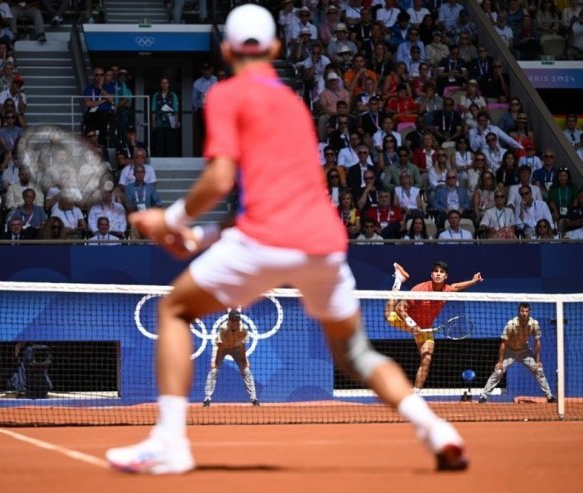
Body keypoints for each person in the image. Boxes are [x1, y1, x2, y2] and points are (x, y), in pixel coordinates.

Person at [106, 5, 469, 475]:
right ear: (275, 49)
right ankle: (437, 431)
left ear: (226, 51)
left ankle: (169, 442)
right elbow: (275, 201)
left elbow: (219, 180)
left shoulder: (226, 95)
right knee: (357, 352)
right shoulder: (296, 107)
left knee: (175, 309)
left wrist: (170, 217)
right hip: (323, 244)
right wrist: (199, 236)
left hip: (266, 243)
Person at [385, 261, 483, 394]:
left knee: (426, 359)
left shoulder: (446, 290)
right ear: (431, 274)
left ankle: (415, 394)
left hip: (426, 328)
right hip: (408, 321)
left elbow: (455, 287)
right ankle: (398, 280)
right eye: (436, 271)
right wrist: (412, 325)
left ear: (445, 276)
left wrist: (473, 281)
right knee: (388, 315)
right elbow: (399, 308)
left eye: (441, 272)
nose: (438, 274)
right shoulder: (420, 290)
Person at [479, 303, 556, 404]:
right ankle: (483, 396)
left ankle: (550, 397)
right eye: (522, 311)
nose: (524, 314)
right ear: (518, 312)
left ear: (529, 312)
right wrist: (500, 362)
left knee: (539, 370)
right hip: (510, 351)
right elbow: (503, 344)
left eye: (526, 311)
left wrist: (537, 361)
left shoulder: (534, 324)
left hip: (525, 351)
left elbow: (537, 342)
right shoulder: (511, 324)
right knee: (498, 371)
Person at [202, 309, 259, 407]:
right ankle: (207, 399)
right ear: (229, 320)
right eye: (233, 320)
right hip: (222, 347)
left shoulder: (244, 329)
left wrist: (244, 361)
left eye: (237, 320)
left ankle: (254, 399)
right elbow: (220, 347)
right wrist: (215, 363)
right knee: (213, 371)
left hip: (236, 348)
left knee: (246, 371)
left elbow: (242, 347)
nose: (235, 322)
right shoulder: (223, 328)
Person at [151, 77, 179, 157]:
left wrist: (176, 123)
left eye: (166, 83)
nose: (164, 84)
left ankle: (171, 161)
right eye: (163, 83)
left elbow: (176, 111)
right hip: (159, 123)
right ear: (160, 84)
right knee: (159, 144)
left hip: (170, 123)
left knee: (171, 144)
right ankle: (159, 161)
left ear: (168, 84)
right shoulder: (156, 95)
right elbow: (153, 111)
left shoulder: (173, 95)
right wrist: (153, 123)